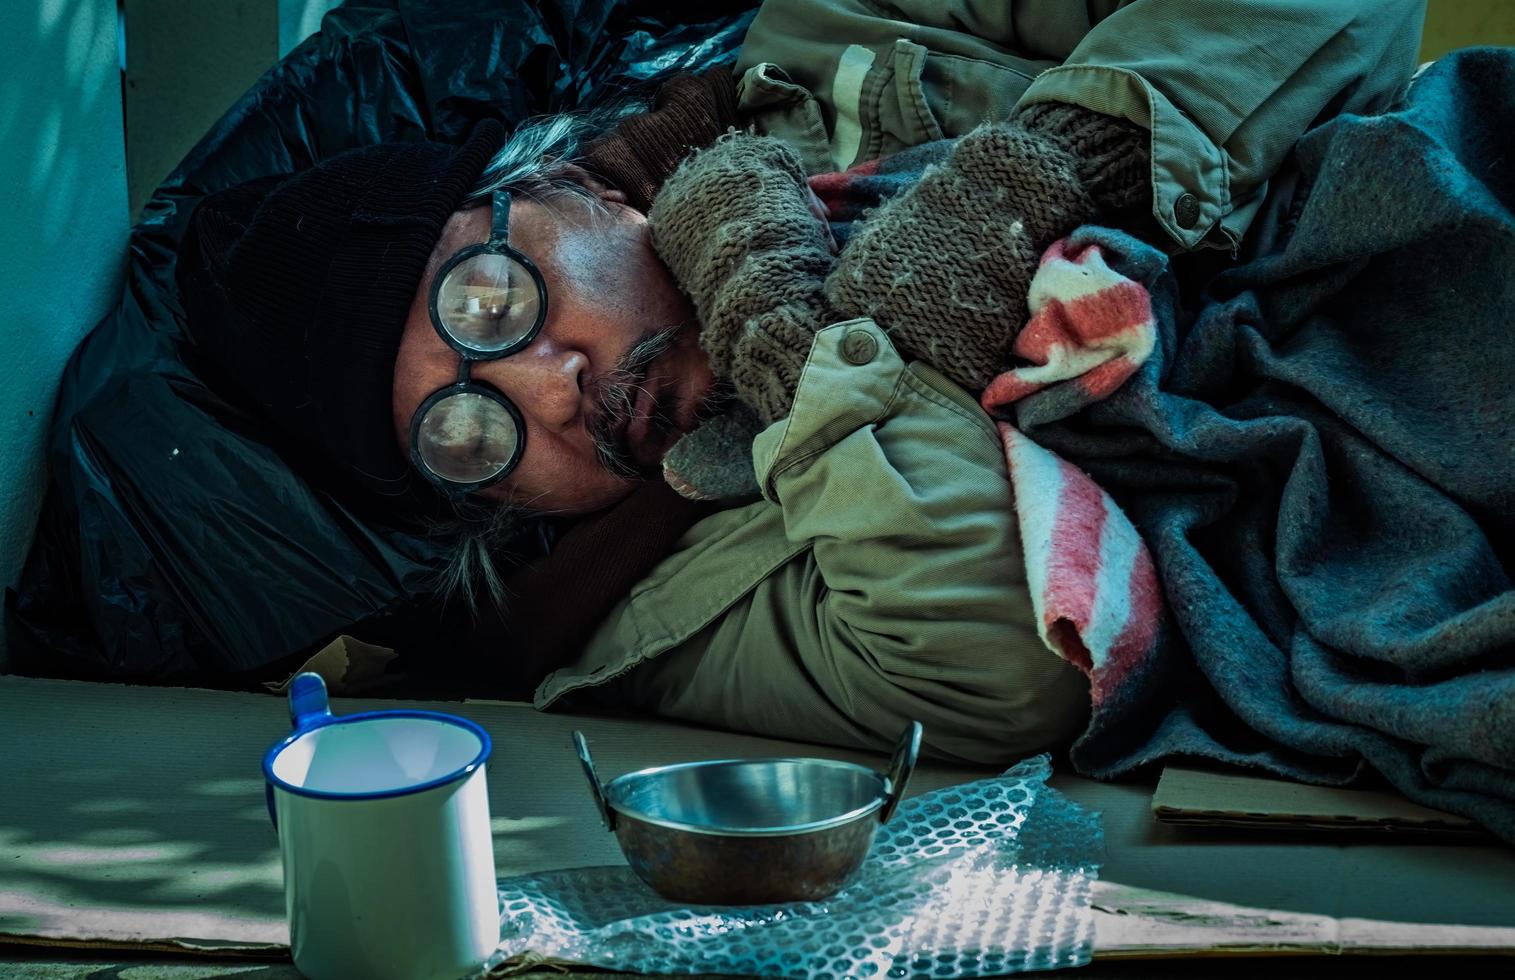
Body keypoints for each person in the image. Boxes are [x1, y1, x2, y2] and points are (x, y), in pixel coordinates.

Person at [173, 0, 1426, 764]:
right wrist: (797, 341)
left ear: (574, 189)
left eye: (494, 302)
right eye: (466, 433)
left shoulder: (829, 46)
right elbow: (991, 673)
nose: (547, 391)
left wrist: (1045, 165)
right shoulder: (655, 631)